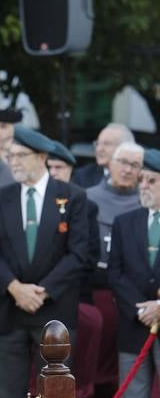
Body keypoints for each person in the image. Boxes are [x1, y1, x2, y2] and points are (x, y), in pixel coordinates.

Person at [0, 125, 89, 398]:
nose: (13, 162)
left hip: (54, 311)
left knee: (54, 391)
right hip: (11, 309)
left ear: (42, 158)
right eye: (10, 156)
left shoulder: (72, 197)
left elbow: (80, 254)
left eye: (20, 157)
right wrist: (15, 288)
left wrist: (41, 291)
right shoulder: (0, 198)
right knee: (9, 391)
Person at [106, 149, 160, 398]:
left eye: (152, 180)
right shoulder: (126, 221)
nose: (144, 185)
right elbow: (116, 273)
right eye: (143, 179)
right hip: (134, 324)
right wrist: (142, 309)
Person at [46, 139, 100, 300]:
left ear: (71, 170)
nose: (53, 172)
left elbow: (90, 256)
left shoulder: (85, 205)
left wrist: (55, 283)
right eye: (49, 167)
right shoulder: (34, 204)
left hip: (72, 290)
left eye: (59, 167)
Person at [86, 140, 143, 286]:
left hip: (133, 284)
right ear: (110, 164)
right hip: (90, 280)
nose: (128, 170)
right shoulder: (87, 198)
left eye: (135, 165)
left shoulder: (146, 204)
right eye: (123, 162)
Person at [72, 122, 134, 189]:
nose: (99, 149)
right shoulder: (83, 176)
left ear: (125, 147)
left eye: (106, 144)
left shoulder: (141, 176)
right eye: (97, 143)